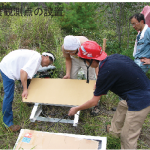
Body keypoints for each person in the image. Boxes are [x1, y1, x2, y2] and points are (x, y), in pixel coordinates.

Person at [68, 41, 150, 149]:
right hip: (139, 89)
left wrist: (76, 109)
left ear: (90, 59)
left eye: (84, 60)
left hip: (141, 99)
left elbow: (94, 102)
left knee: (127, 136)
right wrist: (100, 81)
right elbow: (119, 73)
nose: (85, 63)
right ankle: (114, 132)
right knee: (122, 106)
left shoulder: (106, 72)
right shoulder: (114, 59)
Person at [0, 49, 55, 132]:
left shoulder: (36, 58)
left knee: (29, 83)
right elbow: (23, 72)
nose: (48, 66)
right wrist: (25, 89)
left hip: (11, 65)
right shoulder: (37, 59)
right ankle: (8, 124)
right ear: (46, 57)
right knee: (9, 96)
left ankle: (29, 101)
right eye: (49, 63)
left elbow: (27, 75)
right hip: (8, 69)